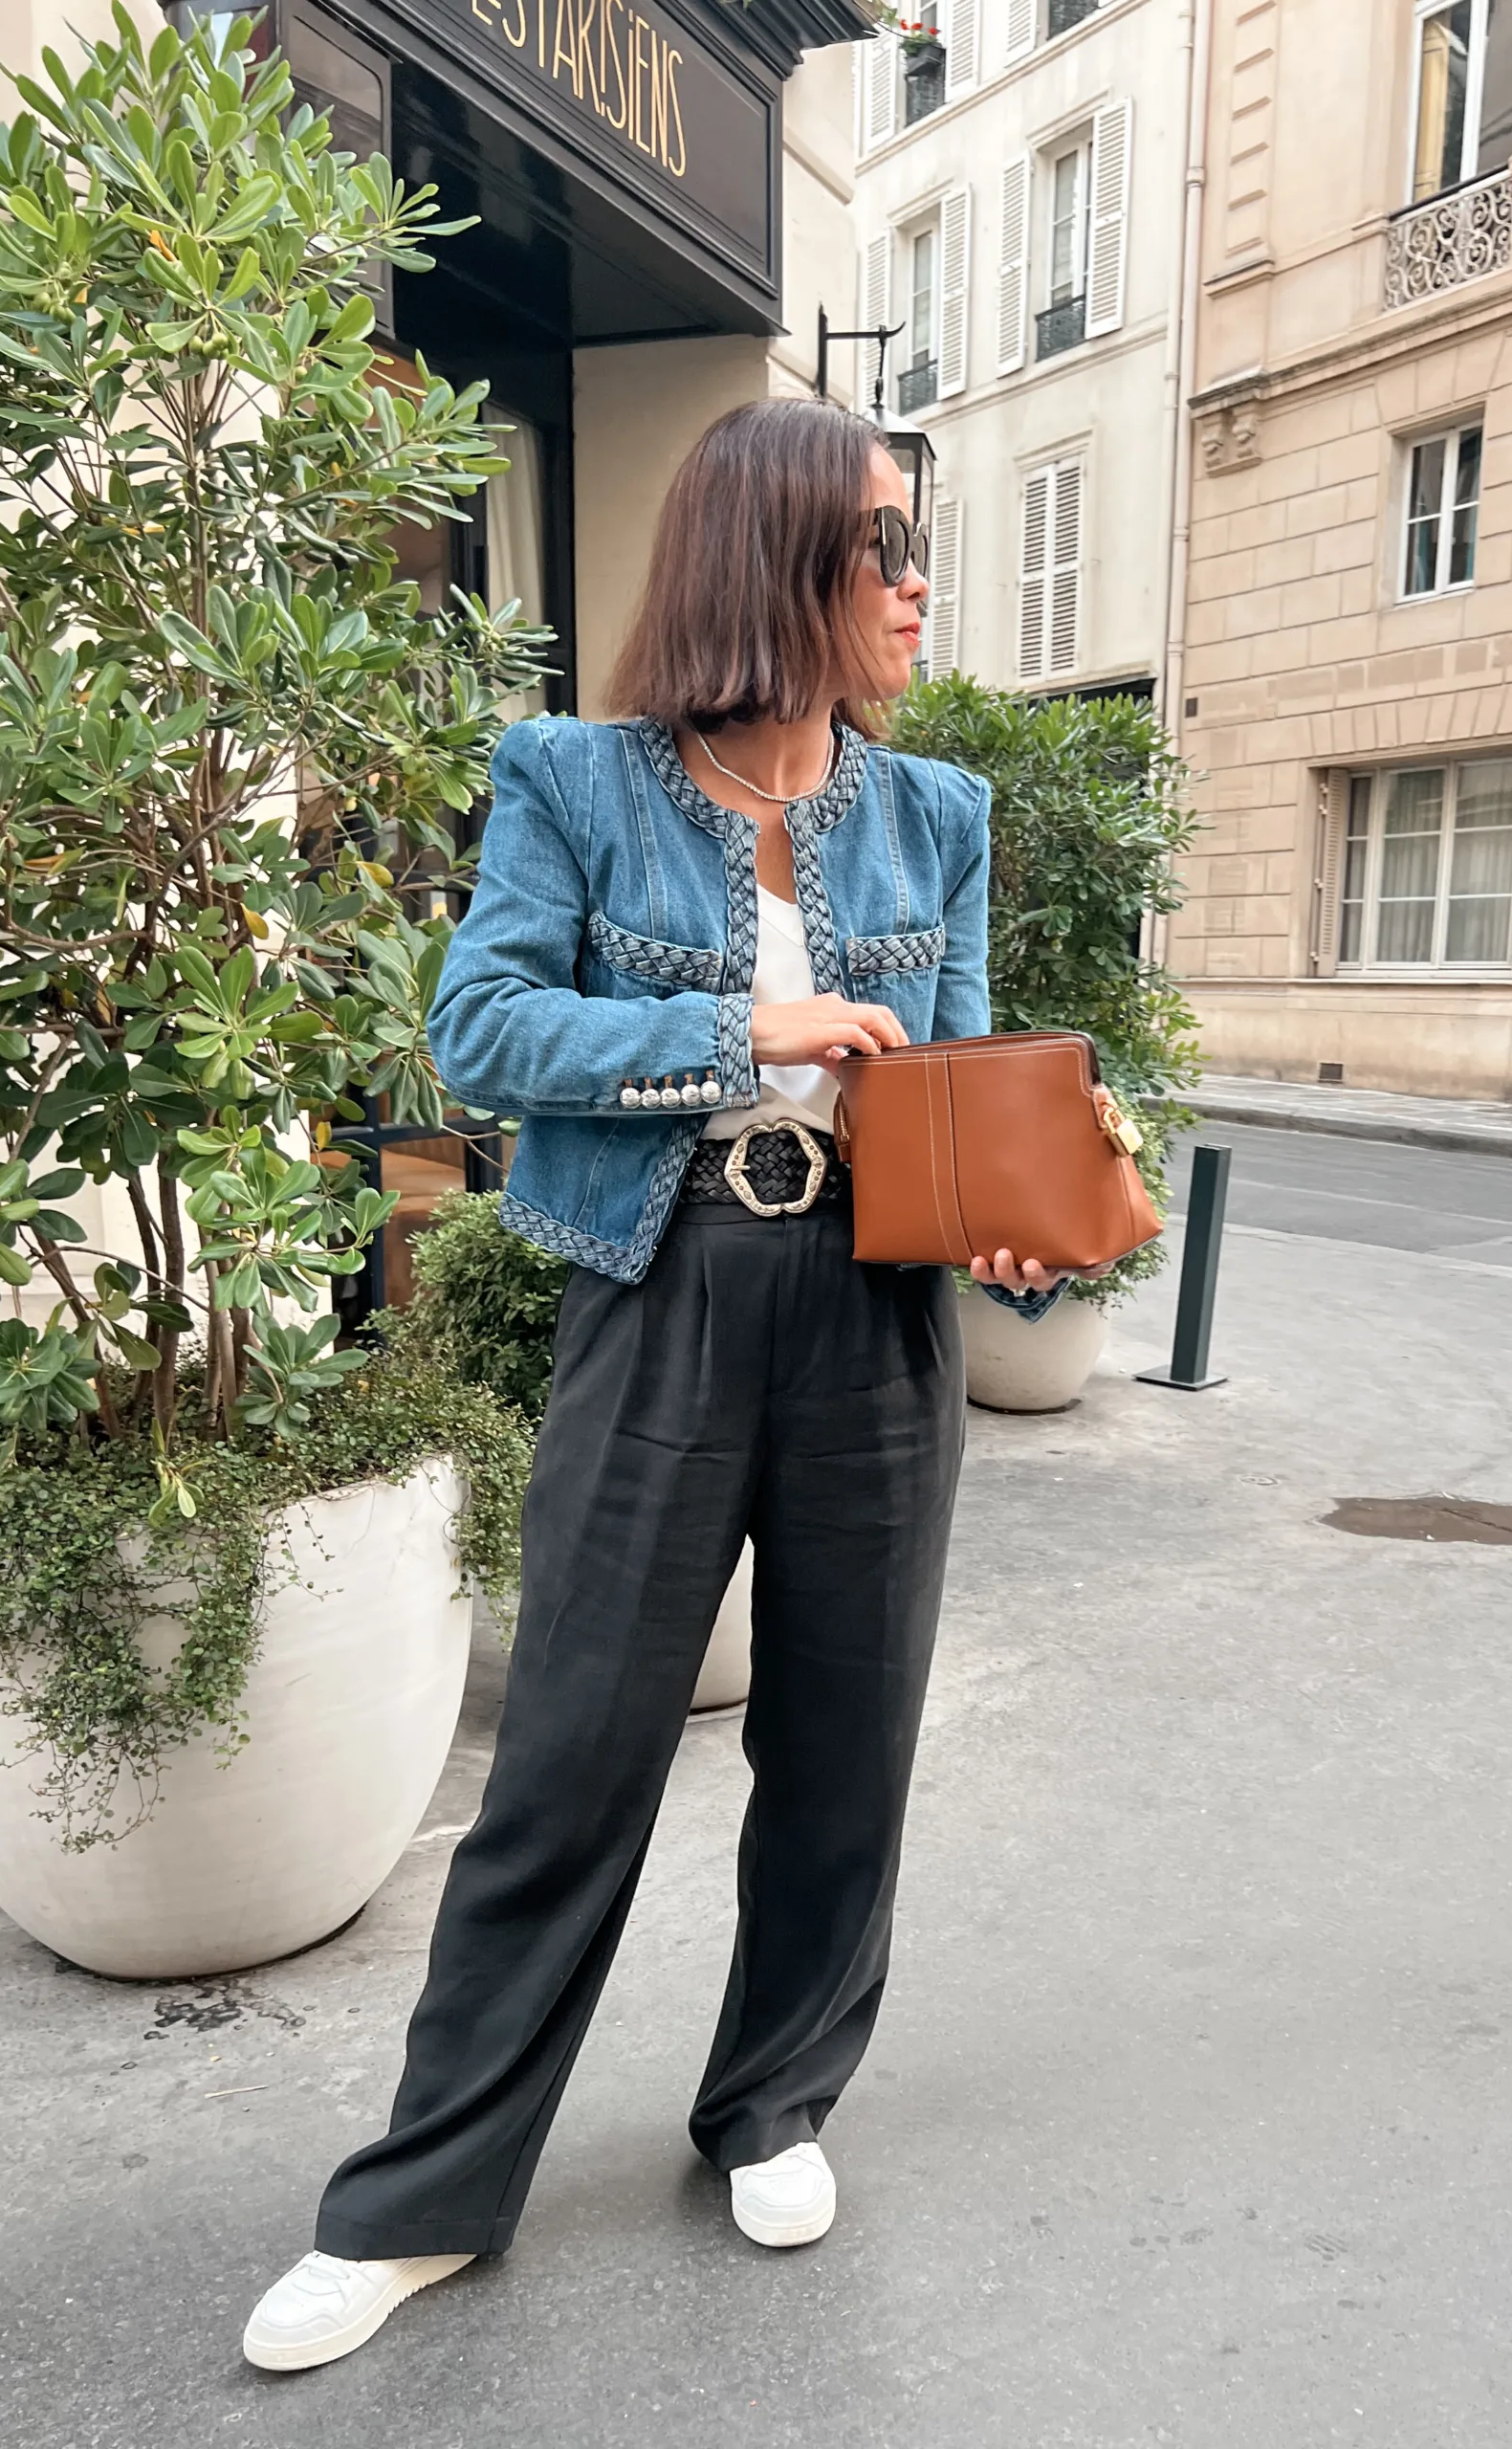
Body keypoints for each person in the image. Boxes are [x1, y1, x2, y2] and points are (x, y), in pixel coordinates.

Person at [243, 398, 1072, 2372]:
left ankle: (774, 2095)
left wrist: (998, 1216)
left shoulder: (933, 812)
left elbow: (936, 1084)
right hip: (661, 1281)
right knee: (572, 1755)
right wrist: (743, 1023)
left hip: (870, 1316)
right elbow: (483, 1025)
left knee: (847, 1744)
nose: (915, 580)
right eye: (884, 542)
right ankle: (425, 2192)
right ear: (775, 556)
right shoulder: (577, 777)